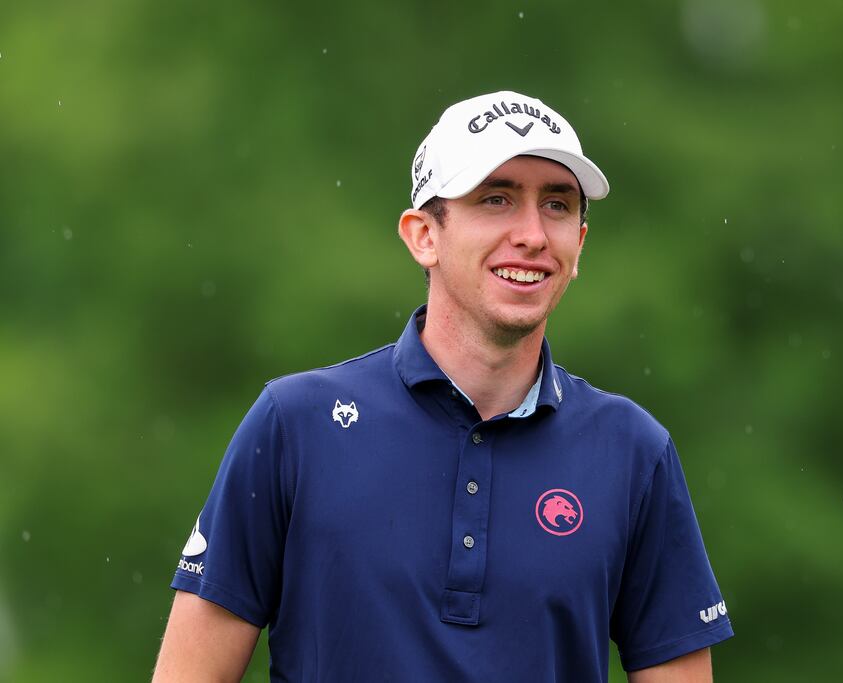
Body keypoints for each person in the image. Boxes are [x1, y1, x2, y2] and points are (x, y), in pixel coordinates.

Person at [153, 90, 733, 682]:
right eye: (497, 199)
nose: (532, 234)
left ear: (578, 245)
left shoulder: (633, 450)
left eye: (557, 205)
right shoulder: (296, 424)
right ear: (423, 235)